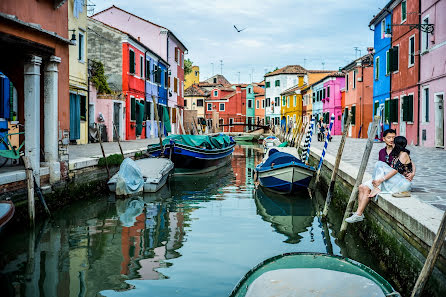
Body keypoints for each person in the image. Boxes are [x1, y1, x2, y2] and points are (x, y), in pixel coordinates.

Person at [346, 135, 416, 223]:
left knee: (379, 164)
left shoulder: (403, 154)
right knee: (362, 187)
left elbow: (395, 170)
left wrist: (380, 180)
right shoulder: (397, 153)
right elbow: (411, 163)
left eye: (393, 142)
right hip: (394, 180)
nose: (392, 143)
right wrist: (413, 172)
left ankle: (360, 212)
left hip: (402, 183)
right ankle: (359, 213)